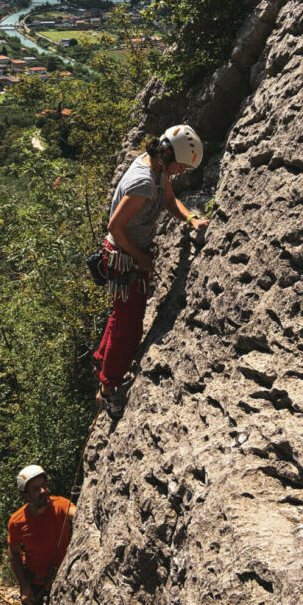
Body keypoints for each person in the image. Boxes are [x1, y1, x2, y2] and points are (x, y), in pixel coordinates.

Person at [94, 124, 209, 413]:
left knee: (122, 316)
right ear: (168, 154)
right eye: (182, 166)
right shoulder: (144, 181)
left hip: (129, 254)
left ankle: (103, 358)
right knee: (130, 328)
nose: (182, 172)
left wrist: (191, 218)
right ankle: (108, 390)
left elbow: (170, 202)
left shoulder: (157, 168)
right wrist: (140, 257)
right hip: (124, 256)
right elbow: (116, 227)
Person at [8, 464, 76, 605]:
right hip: (36, 577)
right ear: (25, 495)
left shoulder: (60, 505)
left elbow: (76, 513)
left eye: (44, 486)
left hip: (63, 576)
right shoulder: (17, 522)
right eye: (36, 489)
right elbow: (14, 554)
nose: (43, 491)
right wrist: (24, 586)